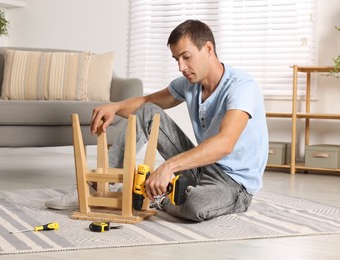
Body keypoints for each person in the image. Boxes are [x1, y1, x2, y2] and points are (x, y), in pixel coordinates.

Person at [45, 19, 268, 222]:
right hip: (199, 166)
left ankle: (155, 196)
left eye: (186, 57)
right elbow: (146, 102)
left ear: (208, 48)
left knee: (194, 204)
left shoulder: (241, 86)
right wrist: (115, 107)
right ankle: (94, 187)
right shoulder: (189, 83)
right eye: (176, 59)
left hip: (232, 183)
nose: (181, 67)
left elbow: (225, 143)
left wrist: (168, 167)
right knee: (148, 111)